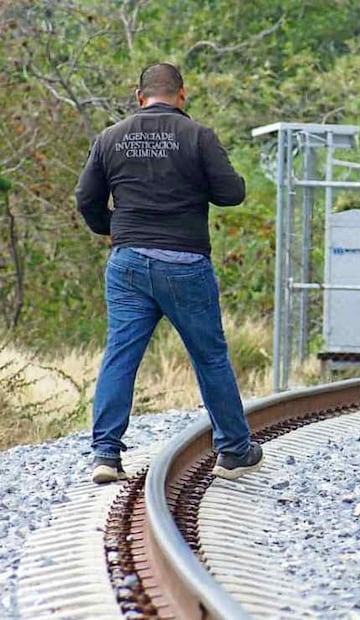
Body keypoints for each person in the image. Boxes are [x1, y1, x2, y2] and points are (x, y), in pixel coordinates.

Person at [75, 63, 263, 484]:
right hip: (185, 264)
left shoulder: (110, 137)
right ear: (182, 95)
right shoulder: (198, 136)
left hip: (127, 266)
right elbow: (232, 193)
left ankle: (105, 454)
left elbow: (86, 199)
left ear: (139, 96)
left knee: (121, 355)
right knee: (209, 356)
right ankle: (233, 450)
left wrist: (116, 228)